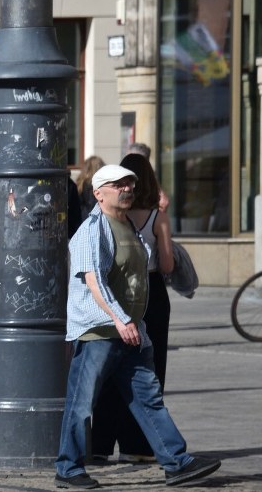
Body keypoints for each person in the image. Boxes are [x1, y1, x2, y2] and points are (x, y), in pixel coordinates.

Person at [53, 164, 220, 489]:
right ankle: (68, 468)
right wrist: (119, 318)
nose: (127, 189)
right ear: (99, 193)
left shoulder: (128, 225)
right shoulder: (92, 229)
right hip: (99, 332)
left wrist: (134, 325)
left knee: (148, 398)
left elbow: (136, 279)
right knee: (81, 402)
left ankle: (177, 462)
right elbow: (94, 281)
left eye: (129, 184)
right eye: (118, 185)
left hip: (129, 332)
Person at [91, 154, 176, 464]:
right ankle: (137, 446)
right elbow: (166, 264)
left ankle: (99, 443)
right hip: (151, 295)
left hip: (117, 294)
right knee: (149, 369)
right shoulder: (157, 217)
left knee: (109, 368)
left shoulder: (111, 216)